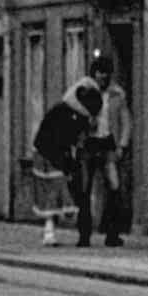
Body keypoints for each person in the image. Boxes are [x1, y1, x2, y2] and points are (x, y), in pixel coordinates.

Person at [35, 71, 100, 242]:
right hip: (50, 155)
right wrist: (65, 162)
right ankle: (50, 231)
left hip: (64, 157)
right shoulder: (63, 112)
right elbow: (54, 140)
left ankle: (72, 233)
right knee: (53, 192)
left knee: (63, 192)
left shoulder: (76, 114)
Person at [84, 53, 133, 245]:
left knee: (114, 187)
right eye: (99, 73)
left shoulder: (117, 95)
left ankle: (112, 234)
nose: (102, 77)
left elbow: (126, 120)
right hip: (89, 143)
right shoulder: (85, 92)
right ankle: (85, 234)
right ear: (93, 74)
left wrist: (123, 144)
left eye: (105, 73)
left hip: (108, 144)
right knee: (85, 189)